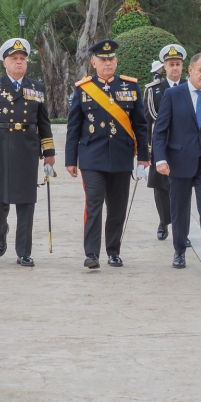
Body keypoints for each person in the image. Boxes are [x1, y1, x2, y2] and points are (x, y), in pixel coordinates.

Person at [65, 39, 149, 269]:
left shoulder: (130, 87)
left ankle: (113, 251)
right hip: (92, 156)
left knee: (117, 207)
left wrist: (143, 156)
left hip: (121, 158)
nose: (108, 63)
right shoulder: (83, 88)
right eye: (103, 60)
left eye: (111, 59)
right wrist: (70, 159)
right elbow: (74, 126)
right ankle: (92, 253)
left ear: (116, 61)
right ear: (94, 62)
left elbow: (140, 125)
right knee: (93, 204)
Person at [0, 38, 55, 267]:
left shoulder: (36, 87)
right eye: (14, 59)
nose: (19, 62)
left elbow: (44, 123)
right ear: (5, 63)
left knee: (26, 202)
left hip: (27, 148)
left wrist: (49, 153)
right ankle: (0, 231)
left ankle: (24, 251)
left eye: (22, 59)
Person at [153, 53, 201, 274]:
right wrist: (161, 159)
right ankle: (179, 252)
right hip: (179, 161)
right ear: (191, 71)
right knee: (179, 208)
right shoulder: (173, 95)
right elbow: (160, 131)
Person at [144, 44, 189, 242]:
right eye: (171, 64)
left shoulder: (190, 87)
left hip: (185, 146)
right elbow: (148, 120)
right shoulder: (154, 90)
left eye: (178, 64)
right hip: (161, 144)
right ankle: (164, 221)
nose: (175, 68)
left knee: (184, 189)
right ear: (164, 66)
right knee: (161, 188)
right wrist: (145, 151)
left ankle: (182, 230)